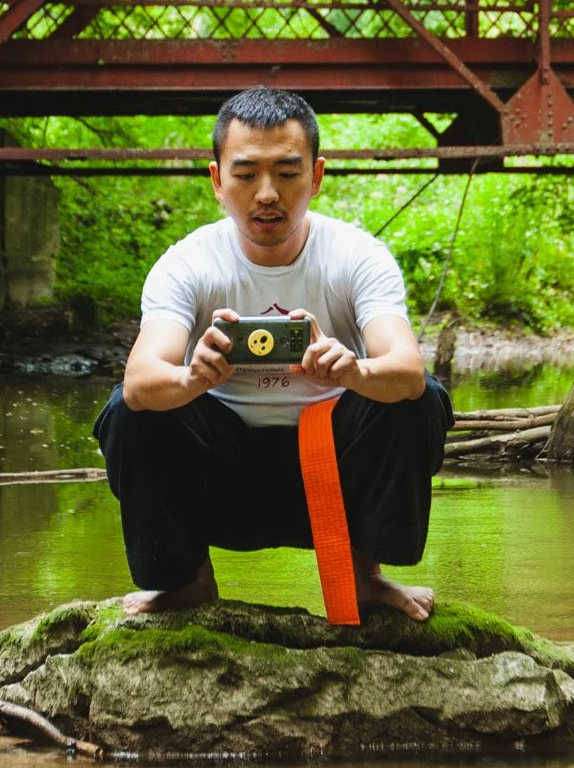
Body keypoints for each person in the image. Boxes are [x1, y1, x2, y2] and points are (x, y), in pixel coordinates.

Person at [92, 87, 453, 619]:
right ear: (217, 181)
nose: (267, 194)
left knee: (420, 400)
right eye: (245, 175)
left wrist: (353, 371)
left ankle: (364, 579)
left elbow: (408, 372)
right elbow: (140, 382)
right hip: (221, 483)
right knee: (129, 413)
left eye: (287, 173)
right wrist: (193, 378)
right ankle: (187, 582)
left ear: (317, 176)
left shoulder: (357, 256)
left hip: (333, 476)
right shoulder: (187, 263)